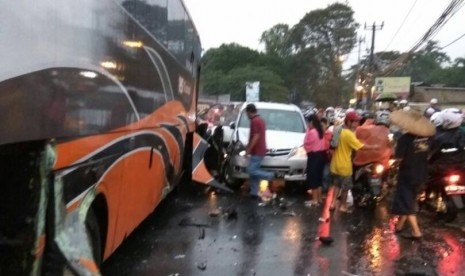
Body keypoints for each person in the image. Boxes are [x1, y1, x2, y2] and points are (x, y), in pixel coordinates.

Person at [329, 111, 380, 212]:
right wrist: (375, 147)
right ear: (349, 122)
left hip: (335, 165)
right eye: (355, 122)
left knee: (336, 185)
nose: (357, 124)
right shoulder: (348, 134)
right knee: (345, 188)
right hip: (345, 166)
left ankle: (332, 204)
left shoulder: (340, 131)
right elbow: (360, 147)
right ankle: (343, 206)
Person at [392, 133, 430, 239]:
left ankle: (416, 231)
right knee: (410, 199)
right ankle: (399, 226)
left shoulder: (404, 139)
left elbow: (399, 159)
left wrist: (395, 164)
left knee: (407, 202)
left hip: (407, 175)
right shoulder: (425, 138)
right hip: (422, 173)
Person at [245, 104, 274, 199]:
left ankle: (268, 175)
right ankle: (254, 192)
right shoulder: (261, 120)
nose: (247, 115)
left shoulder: (255, 121)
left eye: (246, 113)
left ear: (249, 111)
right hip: (260, 149)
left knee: (251, 170)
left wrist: (248, 149)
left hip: (257, 150)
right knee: (253, 174)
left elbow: (256, 136)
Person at [303, 114, 327, 207]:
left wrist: (307, 131)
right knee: (319, 178)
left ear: (311, 122)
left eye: (308, 123)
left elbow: (306, 143)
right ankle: (319, 199)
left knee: (313, 178)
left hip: (314, 156)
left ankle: (314, 200)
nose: (308, 125)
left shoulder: (312, 132)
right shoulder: (319, 131)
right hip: (321, 155)